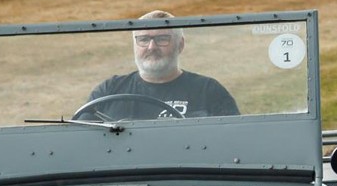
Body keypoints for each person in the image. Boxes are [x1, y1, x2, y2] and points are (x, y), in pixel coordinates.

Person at [83, 11, 240, 120]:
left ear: (180, 44)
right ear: (134, 45)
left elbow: (234, 140)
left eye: (162, 39)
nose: (152, 47)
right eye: (143, 39)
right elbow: (82, 141)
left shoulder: (209, 91)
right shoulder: (108, 91)